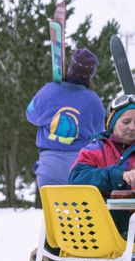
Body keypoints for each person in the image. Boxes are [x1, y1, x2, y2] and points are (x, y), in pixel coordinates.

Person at [53, 95, 135, 261]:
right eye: (126, 122)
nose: (132, 128)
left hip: (132, 222)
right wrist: (115, 176)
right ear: (112, 123)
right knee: (89, 230)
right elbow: (77, 177)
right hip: (102, 223)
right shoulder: (97, 148)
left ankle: (49, 250)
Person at [26, 48, 105, 192]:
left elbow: (30, 114)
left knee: (54, 214)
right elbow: (100, 136)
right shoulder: (94, 101)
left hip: (48, 171)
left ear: (70, 68)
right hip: (79, 172)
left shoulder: (48, 91)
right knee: (80, 215)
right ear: (90, 76)